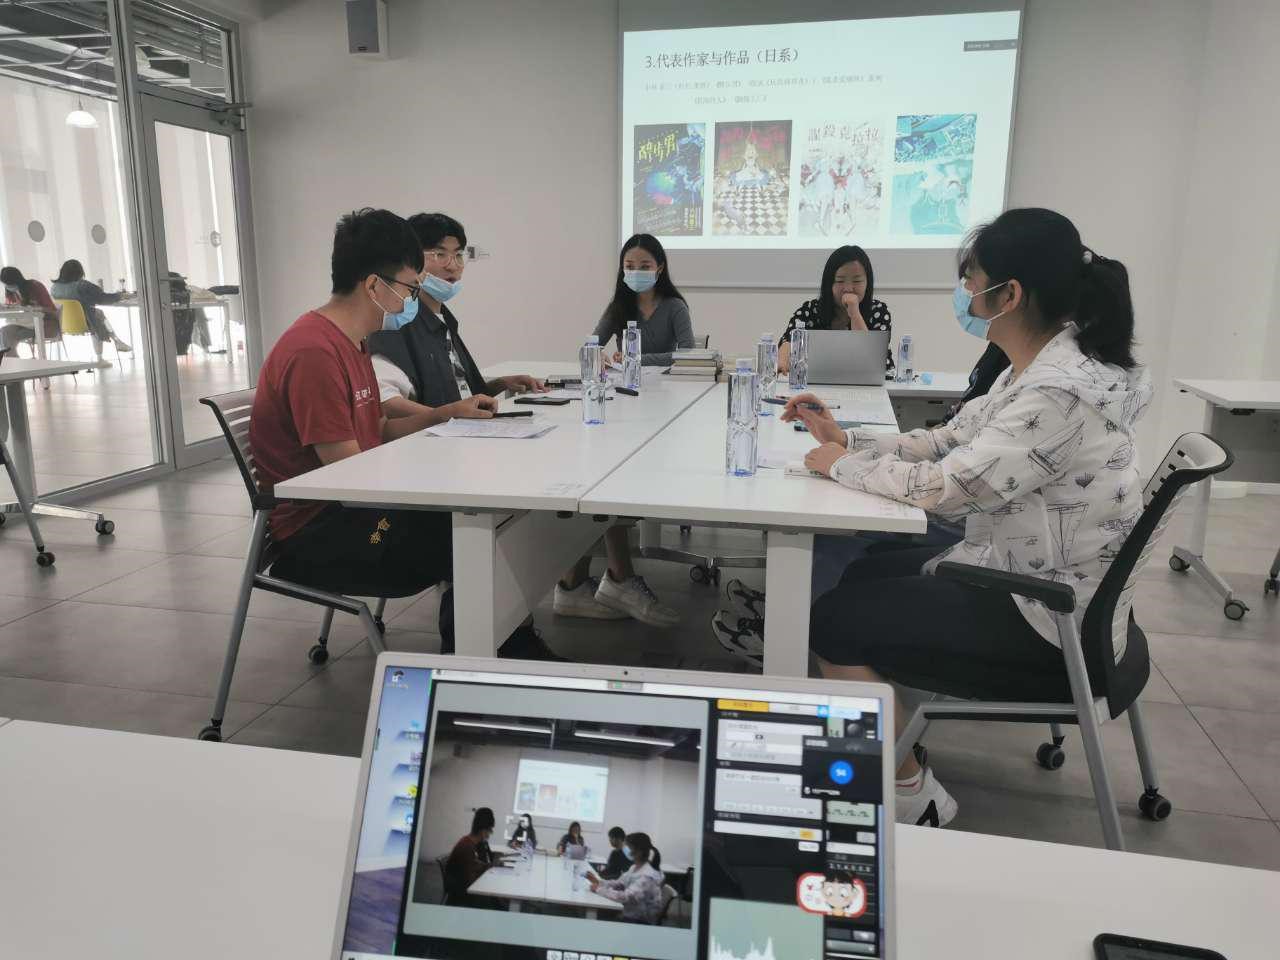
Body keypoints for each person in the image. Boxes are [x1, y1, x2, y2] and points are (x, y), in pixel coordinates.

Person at [782, 207, 1151, 829]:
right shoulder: (1042, 367)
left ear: (1010, 294)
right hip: (1044, 581)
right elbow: (949, 439)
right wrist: (849, 441)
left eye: (971, 281)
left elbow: (947, 489)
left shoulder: (1057, 392)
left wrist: (841, 466)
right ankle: (898, 733)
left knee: (832, 621)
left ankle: (911, 790)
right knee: (865, 571)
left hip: (1051, 617)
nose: (965, 295)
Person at [248, 208, 555, 660]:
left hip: (351, 511)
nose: (412, 301)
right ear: (374, 285)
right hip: (321, 532)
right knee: (471, 533)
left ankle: (498, 645)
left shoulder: (352, 341)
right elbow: (348, 474)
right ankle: (475, 659)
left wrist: (445, 415)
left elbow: (379, 428)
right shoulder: (314, 351)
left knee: (488, 520)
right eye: (410, 288)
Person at [371, 213, 679, 628]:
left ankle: (572, 584)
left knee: (575, 461)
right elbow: (388, 404)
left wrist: (500, 383)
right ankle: (509, 622)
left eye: (459, 255)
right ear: (410, 263)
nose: (452, 265)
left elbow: (461, 391)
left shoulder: (441, 320)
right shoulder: (398, 324)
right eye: (438, 254)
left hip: (468, 443)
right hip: (440, 462)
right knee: (553, 480)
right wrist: (445, 414)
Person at [777, 246, 893, 376]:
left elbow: (872, 359)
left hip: (869, 383)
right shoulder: (810, 310)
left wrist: (855, 314)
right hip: (818, 383)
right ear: (829, 283)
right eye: (840, 281)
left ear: (867, 283)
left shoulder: (879, 311)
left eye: (857, 281)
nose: (848, 288)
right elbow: (789, 340)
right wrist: (783, 358)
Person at [593, 234, 694, 367]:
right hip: (627, 379)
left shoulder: (675, 307)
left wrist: (636, 359)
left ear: (660, 268)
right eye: (630, 267)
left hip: (666, 380)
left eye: (645, 267)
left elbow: (688, 354)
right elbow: (589, 348)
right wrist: (596, 356)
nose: (636, 272)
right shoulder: (618, 306)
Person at [50, 259, 132, 367]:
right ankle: (105, 352)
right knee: (97, 316)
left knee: (97, 313)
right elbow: (102, 298)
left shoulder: (54, 288)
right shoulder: (82, 285)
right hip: (86, 322)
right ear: (79, 272)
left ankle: (117, 341)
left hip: (64, 324)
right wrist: (120, 296)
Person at [587, 832, 665, 924]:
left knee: (597, 916)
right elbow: (619, 883)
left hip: (639, 920)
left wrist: (599, 889)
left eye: (628, 847)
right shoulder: (634, 867)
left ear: (639, 851)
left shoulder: (647, 876)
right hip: (630, 911)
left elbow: (625, 897)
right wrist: (599, 882)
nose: (624, 849)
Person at [444, 807, 497, 903]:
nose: (489, 835)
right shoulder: (467, 847)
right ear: (483, 831)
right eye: (490, 831)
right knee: (497, 900)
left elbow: (474, 863)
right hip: (462, 896)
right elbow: (471, 883)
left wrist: (489, 865)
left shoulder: (468, 842)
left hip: (463, 889)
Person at [0, 266, 59, 354]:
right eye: (6, 284)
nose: (8, 287)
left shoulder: (35, 286)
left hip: (44, 323)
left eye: (10, 284)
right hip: (23, 323)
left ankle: (12, 360)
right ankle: (12, 360)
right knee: (4, 332)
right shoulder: (11, 292)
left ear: (18, 281)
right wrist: (7, 307)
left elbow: (52, 310)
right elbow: (11, 307)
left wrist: (35, 308)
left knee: (8, 336)